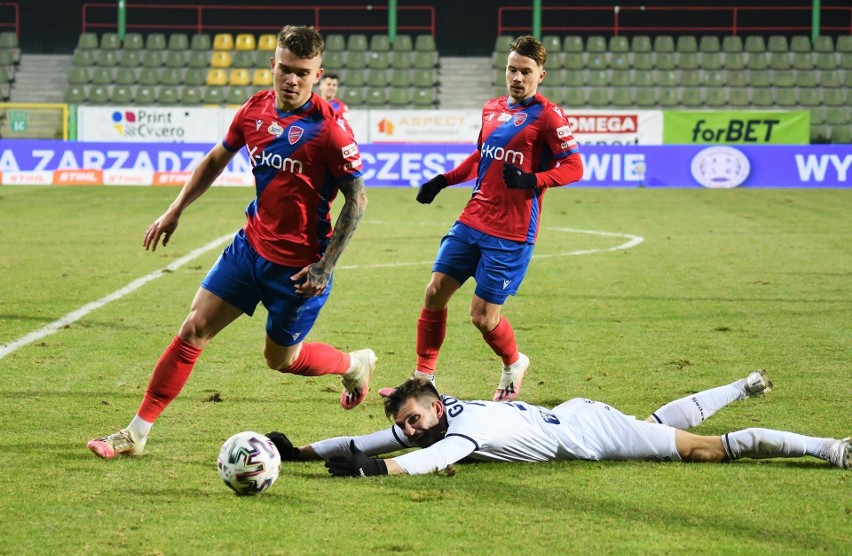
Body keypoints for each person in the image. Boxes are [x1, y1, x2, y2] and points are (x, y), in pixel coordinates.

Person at [88, 25, 375, 459]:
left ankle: (354, 364)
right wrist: (175, 209)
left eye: (302, 72)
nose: (291, 79)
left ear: (317, 75)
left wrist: (326, 264)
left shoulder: (330, 131)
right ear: (271, 66)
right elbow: (215, 159)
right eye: (284, 69)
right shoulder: (255, 111)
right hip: (250, 247)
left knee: (281, 360)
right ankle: (135, 433)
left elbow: (358, 199)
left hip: (298, 269)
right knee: (194, 328)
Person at [409, 35, 584, 402]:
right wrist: (443, 180)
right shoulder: (491, 109)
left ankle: (513, 362)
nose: (517, 77)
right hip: (473, 218)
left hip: (512, 232)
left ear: (541, 75)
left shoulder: (549, 116)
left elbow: (575, 167)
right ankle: (423, 378)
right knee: (434, 292)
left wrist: (533, 180)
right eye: (512, 69)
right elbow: (481, 157)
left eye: (526, 72)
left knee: (482, 317)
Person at [267, 370, 851, 476]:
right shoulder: (442, 417)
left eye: (415, 419)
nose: (411, 428)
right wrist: (300, 453)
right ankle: (743, 385)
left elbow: (424, 460)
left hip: (590, 434)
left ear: (437, 408)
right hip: (575, 416)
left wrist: (375, 472)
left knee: (704, 451)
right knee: (655, 428)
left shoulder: (462, 432)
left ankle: (830, 448)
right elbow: (373, 438)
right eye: (408, 424)